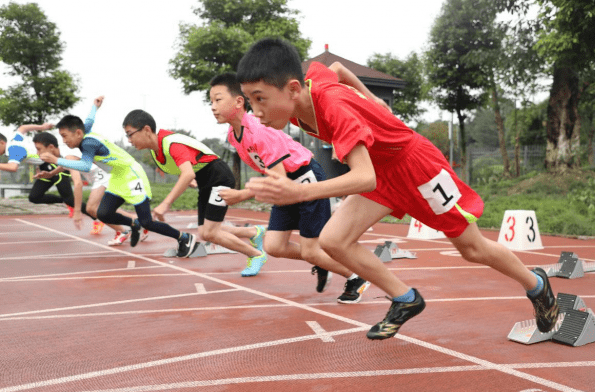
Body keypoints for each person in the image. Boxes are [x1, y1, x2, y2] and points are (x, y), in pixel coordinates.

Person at [237, 38, 559, 340]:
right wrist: (372, 97)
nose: (255, 111)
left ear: (292, 89)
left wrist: (300, 192)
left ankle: (536, 285)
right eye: (250, 100)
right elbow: (335, 69)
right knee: (334, 240)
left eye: (260, 99)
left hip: (417, 167)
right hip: (383, 174)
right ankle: (406, 299)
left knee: (472, 249)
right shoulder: (307, 90)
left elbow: (364, 178)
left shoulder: (333, 108)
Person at [209, 72, 370, 301]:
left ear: (238, 102)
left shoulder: (259, 132)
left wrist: (241, 195)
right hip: (284, 185)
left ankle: (356, 275)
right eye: (210, 102)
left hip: (304, 177)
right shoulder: (234, 135)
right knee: (274, 246)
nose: (213, 107)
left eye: (217, 100)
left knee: (311, 250)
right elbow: (272, 176)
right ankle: (320, 260)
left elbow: (279, 181)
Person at [40, 96, 196, 257]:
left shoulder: (88, 144)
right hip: (117, 176)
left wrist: (55, 160)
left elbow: (86, 166)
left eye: (65, 136)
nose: (64, 141)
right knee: (103, 213)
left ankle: (183, 237)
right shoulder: (84, 130)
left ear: (78, 133)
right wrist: (95, 106)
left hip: (132, 175)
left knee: (147, 221)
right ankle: (133, 224)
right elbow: (89, 119)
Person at [121, 109, 267, 276]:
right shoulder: (157, 151)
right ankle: (253, 232)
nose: (129, 140)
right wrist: (190, 178)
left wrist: (165, 203)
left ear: (146, 129)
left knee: (209, 232)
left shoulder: (171, 143)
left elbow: (188, 172)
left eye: (130, 134)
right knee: (206, 231)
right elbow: (187, 168)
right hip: (206, 181)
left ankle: (256, 255)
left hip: (218, 177)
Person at [37, 153, 148, 245]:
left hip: (103, 180)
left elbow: (77, 183)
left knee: (92, 209)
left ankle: (123, 231)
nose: (39, 154)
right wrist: (51, 174)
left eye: (40, 150)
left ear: (51, 147)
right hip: (103, 180)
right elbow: (64, 165)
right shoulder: (68, 158)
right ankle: (142, 221)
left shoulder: (69, 156)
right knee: (104, 210)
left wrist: (77, 210)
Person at [0, 123, 76, 215]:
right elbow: (23, 128)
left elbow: (12, 167)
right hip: (44, 167)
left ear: (2, 143)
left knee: (70, 200)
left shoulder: (14, 149)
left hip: (55, 164)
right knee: (34, 197)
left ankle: (93, 213)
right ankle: (65, 201)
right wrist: (42, 127)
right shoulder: (14, 139)